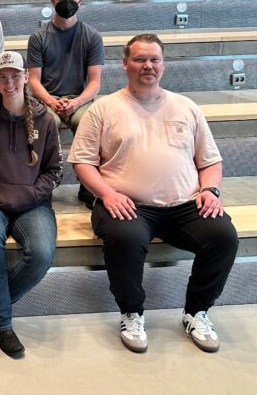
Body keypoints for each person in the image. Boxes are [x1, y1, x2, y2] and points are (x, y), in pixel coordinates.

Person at [69, 34, 239, 354]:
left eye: (154, 59)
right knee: (126, 237)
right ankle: (131, 313)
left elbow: (210, 160)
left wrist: (210, 190)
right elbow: (83, 163)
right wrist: (107, 194)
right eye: (139, 59)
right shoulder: (103, 108)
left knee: (223, 236)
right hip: (127, 203)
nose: (148, 65)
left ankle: (196, 312)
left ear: (163, 64)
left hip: (185, 204)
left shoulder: (186, 107)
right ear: (125, 64)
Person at [0, 52, 62, 358]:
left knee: (41, 253)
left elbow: (54, 171)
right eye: (2, 77)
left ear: (25, 77)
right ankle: (3, 324)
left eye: (15, 76)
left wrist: (30, 195)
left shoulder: (45, 118)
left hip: (32, 202)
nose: (9, 83)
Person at [26, 0, 104, 207]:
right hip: (46, 100)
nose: (67, 3)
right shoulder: (38, 37)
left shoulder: (92, 36)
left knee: (89, 121)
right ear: (52, 1)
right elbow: (33, 81)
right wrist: (51, 101)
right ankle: (44, 184)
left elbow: (95, 82)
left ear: (80, 2)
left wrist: (76, 102)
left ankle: (89, 186)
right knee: (44, 123)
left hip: (79, 100)